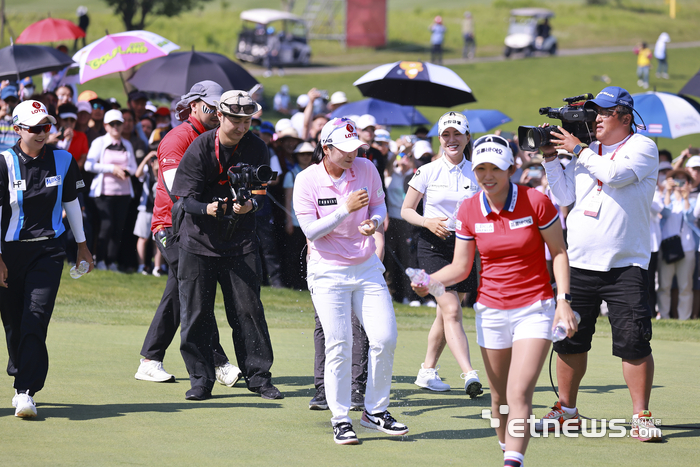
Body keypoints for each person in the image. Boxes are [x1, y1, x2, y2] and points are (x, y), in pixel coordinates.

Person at [412, 134, 574, 467]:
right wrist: (429, 282)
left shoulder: (537, 202)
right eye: (481, 168)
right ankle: (507, 449)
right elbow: (459, 266)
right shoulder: (469, 209)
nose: (487, 175)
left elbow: (559, 252)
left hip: (535, 308)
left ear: (511, 169)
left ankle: (512, 462)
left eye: (495, 169)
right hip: (491, 311)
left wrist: (564, 301)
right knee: (499, 397)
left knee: (518, 392)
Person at [538, 86, 662, 441]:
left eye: (604, 113)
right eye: (594, 113)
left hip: (627, 264)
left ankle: (641, 415)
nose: (597, 119)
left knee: (634, 341)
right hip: (579, 263)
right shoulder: (588, 152)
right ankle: (567, 411)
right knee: (570, 341)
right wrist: (550, 160)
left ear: (625, 117)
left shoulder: (643, 147)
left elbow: (616, 175)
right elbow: (564, 197)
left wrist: (578, 150)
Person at [293, 117, 408, 445]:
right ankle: (340, 417)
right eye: (342, 149)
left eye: (354, 148)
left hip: (366, 266)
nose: (350, 155)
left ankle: (375, 411)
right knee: (340, 343)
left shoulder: (367, 168)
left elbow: (379, 204)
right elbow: (310, 231)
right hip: (327, 271)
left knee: (384, 338)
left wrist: (373, 222)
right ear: (325, 149)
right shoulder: (306, 180)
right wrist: (344, 210)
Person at [170, 90, 282, 401]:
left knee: (249, 311)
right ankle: (200, 380)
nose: (242, 126)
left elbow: (260, 193)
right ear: (220, 116)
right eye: (236, 120)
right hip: (197, 240)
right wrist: (208, 208)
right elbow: (183, 199)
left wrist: (249, 207)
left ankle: (259, 378)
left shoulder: (257, 147)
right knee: (196, 313)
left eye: (247, 120)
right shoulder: (200, 147)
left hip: (241, 241)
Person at [137, 81, 238, 386]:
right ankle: (218, 362)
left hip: (196, 227)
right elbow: (176, 189)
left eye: (220, 108)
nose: (216, 113)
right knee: (194, 288)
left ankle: (150, 358)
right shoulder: (177, 137)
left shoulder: (214, 139)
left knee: (180, 292)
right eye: (211, 107)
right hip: (170, 226)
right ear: (194, 105)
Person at [0, 99, 93, 418]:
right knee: (13, 322)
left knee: (35, 317)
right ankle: (19, 374)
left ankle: (26, 390)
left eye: (46, 127)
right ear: (17, 130)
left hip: (49, 251)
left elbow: (71, 202)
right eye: (35, 128)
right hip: (9, 252)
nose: (42, 133)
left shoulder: (64, 159)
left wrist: (82, 245)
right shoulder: (3, 162)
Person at [401, 111, 482, 395]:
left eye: (457, 134)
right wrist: (427, 221)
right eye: (446, 135)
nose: (452, 140)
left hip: (464, 248)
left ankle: (427, 371)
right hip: (431, 246)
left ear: (467, 137)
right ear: (439, 139)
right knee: (451, 309)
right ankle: (469, 374)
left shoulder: (477, 170)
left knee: (444, 314)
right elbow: (406, 210)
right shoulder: (427, 171)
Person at [85, 109, 137, 271]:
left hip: (123, 193)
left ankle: (111, 261)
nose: (116, 127)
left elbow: (134, 167)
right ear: (106, 126)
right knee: (106, 226)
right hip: (104, 193)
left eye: (119, 124)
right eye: (112, 124)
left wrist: (126, 171)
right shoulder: (99, 142)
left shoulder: (127, 144)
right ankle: (100, 259)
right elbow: (89, 165)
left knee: (118, 228)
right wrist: (112, 169)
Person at [658, 169, 695, 320]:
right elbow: (665, 213)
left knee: (685, 286)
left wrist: (686, 198)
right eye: (676, 179)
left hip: (687, 247)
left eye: (683, 180)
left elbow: (690, 216)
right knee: (664, 286)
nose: (679, 183)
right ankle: (664, 316)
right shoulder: (665, 197)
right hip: (667, 247)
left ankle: (684, 318)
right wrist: (667, 192)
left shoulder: (693, 200)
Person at [54, 103, 89, 170]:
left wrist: (71, 171)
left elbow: (83, 158)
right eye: (65, 119)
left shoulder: (82, 136)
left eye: (72, 120)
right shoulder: (52, 135)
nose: (69, 123)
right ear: (58, 119)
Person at [0, 85, 20, 152]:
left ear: (17, 101)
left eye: (13, 100)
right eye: (6, 100)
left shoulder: (21, 120)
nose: (9, 103)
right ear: (1, 101)